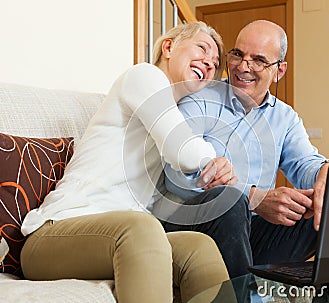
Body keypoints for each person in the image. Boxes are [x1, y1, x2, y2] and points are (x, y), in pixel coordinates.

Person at [20, 21, 236, 303]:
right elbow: (182, 151)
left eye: (215, 63)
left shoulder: (169, 112)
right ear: (169, 47)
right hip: (52, 236)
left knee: (198, 246)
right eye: (202, 48)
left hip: (114, 238)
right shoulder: (144, 76)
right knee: (141, 227)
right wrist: (215, 161)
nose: (209, 63)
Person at [157, 20, 329, 279]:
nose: (243, 67)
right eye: (238, 55)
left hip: (248, 233)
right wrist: (256, 198)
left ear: (279, 71)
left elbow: (305, 163)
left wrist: (326, 173)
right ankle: (245, 293)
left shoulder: (284, 118)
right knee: (231, 202)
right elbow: (178, 177)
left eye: (259, 60)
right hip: (190, 222)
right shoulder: (199, 98)